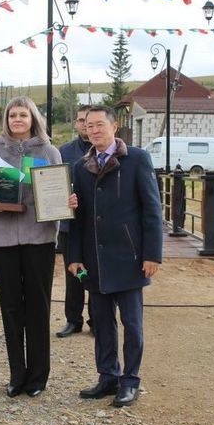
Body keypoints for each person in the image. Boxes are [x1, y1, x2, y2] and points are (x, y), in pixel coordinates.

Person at [0, 96, 65, 398]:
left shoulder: (49, 152)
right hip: (3, 241)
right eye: (13, 116)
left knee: (38, 307)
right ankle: (16, 374)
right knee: (11, 309)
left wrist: (65, 202)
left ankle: (38, 376)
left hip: (39, 240)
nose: (18, 120)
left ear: (33, 118)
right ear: (7, 120)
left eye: (23, 115)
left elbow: (61, 193)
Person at [68, 105, 162, 408]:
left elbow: (152, 210)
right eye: (88, 126)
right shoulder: (81, 167)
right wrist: (74, 256)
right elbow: (78, 219)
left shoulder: (136, 159)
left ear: (114, 126)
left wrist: (152, 254)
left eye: (99, 125)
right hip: (94, 261)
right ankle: (107, 376)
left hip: (131, 257)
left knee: (132, 324)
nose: (93, 130)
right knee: (102, 322)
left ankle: (130, 380)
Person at [56, 105, 93, 338]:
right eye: (81, 120)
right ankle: (73, 319)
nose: (85, 125)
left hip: (98, 226)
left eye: (89, 121)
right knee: (74, 275)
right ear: (76, 124)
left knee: (97, 276)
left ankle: (98, 320)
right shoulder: (63, 152)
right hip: (70, 225)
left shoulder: (108, 150)